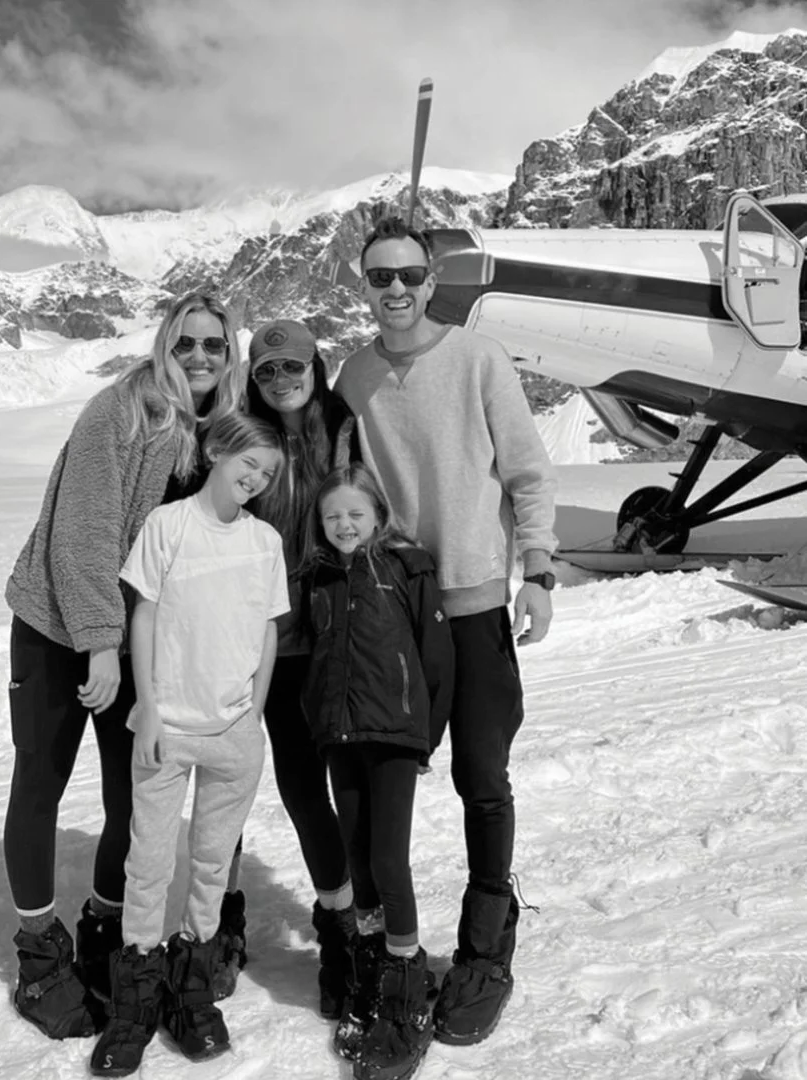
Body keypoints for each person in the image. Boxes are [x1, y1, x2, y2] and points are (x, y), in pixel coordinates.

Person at [333, 216, 558, 1047]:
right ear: (365, 285)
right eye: (379, 277)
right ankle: (385, 945)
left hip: (474, 605)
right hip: (400, 611)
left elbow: (528, 470)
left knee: (481, 773)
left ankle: (487, 939)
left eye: (408, 276)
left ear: (433, 281)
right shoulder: (355, 377)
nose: (395, 290)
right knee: (389, 781)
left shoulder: (477, 358)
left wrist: (535, 570)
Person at [1, 292, 243, 1040]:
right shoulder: (120, 410)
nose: (199, 357)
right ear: (164, 345)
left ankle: (104, 929)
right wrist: (100, 643)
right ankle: (41, 959)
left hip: (130, 636)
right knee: (41, 778)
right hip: (55, 626)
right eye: (186, 344)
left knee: (130, 798)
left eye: (213, 346)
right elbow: (82, 534)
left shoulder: (210, 432)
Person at [89, 413, 289, 1077]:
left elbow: (265, 628)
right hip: (166, 728)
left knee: (210, 866)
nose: (255, 479)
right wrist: (145, 708)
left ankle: (191, 987)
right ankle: (136, 1000)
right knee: (148, 864)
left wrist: (253, 712)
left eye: (266, 474)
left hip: (233, 735)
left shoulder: (264, 541)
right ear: (215, 451)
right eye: (248, 464)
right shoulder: (169, 525)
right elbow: (142, 615)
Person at [297, 463, 454, 1080]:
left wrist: (425, 735)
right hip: (342, 738)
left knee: (389, 860)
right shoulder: (320, 577)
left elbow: (435, 659)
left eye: (355, 515)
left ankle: (406, 983)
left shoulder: (406, 569)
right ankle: (370, 962)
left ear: (378, 517)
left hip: (393, 737)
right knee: (358, 857)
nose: (343, 525)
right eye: (332, 516)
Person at [245, 318, 359, 1019]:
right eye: (267, 370)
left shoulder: (344, 427)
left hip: (335, 632)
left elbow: (365, 511)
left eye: (293, 366)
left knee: (346, 783)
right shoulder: (241, 438)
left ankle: (351, 928)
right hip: (266, 639)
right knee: (291, 783)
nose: (282, 379)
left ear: (315, 367)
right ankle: (326, 916)